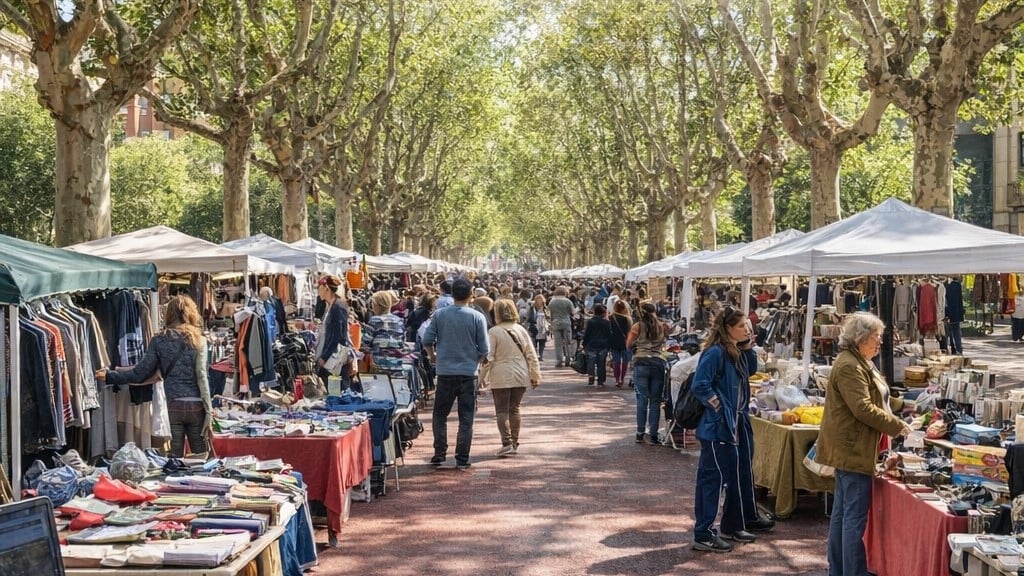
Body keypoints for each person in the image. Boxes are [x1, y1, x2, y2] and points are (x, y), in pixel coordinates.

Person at [815, 312, 911, 575]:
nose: (879, 343)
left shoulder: (861, 361)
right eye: (875, 338)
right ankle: (851, 571)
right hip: (853, 449)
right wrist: (898, 426)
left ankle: (839, 569)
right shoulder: (850, 365)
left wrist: (905, 405)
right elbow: (863, 408)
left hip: (853, 448)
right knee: (851, 519)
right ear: (860, 339)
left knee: (843, 516)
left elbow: (877, 396)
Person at [96, 295, 211, 458]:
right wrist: (209, 411)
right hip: (197, 406)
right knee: (202, 457)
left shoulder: (159, 340)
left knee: (175, 459)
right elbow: (201, 376)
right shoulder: (200, 340)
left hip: (173, 406)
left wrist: (109, 376)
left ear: (169, 314)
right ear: (192, 313)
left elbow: (139, 374)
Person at [689, 306, 759, 553]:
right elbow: (700, 384)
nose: (746, 330)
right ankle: (704, 532)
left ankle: (731, 524)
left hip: (731, 424)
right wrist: (719, 408)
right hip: (718, 427)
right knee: (712, 479)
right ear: (728, 328)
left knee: (732, 476)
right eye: (742, 326)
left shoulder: (733, 351)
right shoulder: (716, 353)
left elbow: (751, 371)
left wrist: (749, 347)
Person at [421, 278, 490, 470]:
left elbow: (427, 339)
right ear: (470, 295)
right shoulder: (477, 317)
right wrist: (474, 362)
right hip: (468, 374)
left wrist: (433, 356)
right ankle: (462, 457)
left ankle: (440, 451)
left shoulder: (440, 315)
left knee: (440, 414)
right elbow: (484, 348)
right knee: (466, 417)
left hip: (445, 372)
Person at [481, 299, 540, 457]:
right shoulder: (520, 329)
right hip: (520, 373)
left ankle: (506, 442)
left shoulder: (494, 331)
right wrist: (535, 375)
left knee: (501, 410)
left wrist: (481, 377)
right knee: (514, 408)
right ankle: (514, 441)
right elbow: (531, 355)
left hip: (500, 373)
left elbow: (489, 357)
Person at [626, 302, 666, 443]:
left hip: (641, 361)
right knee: (655, 400)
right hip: (658, 361)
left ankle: (640, 432)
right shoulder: (661, 325)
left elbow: (629, 344)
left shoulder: (637, 326)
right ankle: (653, 433)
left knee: (642, 398)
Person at [314, 275, 353, 389]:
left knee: (335, 391)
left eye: (319, 288)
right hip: (332, 359)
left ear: (326, 288)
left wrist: (324, 356)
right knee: (331, 390)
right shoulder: (332, 306)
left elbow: (338, 336)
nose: (318, 291)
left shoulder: (338, 307)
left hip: (335, 360)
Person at [582, 303, 612, 387]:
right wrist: (609, 345)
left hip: (591, 344)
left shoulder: (590, 321)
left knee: (590, 362)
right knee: (601, 363)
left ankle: (591, 377)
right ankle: (601, 381)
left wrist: (584, 343)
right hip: (603, 345)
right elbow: (609, 334)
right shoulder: (606, 322)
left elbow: (587, 333)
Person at [548, 286, 576, 368]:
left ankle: (559, 360)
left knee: (558, 343)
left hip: (555, 323)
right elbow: (573, 312)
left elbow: (550, 314)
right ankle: (568, 359)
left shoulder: (552, 302)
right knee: (568, 342)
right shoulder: (568, 301)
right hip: (566, 322)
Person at [609, 300, 632, 388]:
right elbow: (629, 332)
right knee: (625, 361)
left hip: (614, 342)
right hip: (625, 342)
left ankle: (617, 379)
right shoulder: (627, 319)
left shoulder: (611, 317)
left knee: (616, 361)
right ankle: (622, 378)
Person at [527, 294, 550, 361]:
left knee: (542, 342)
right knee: (534, 342)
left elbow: (548, 316)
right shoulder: (532, 308)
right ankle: (535, 355)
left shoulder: (545, 308)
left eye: (541, 300)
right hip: (534, 327)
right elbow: (528, 316)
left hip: (542, 327)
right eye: (538, 300)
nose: (539, 301)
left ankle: (541, 355)